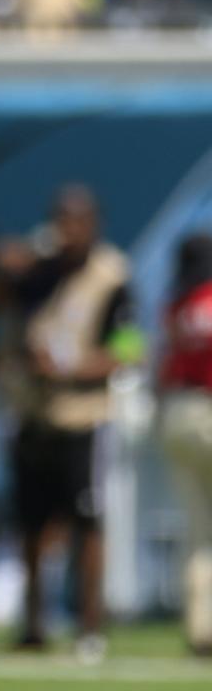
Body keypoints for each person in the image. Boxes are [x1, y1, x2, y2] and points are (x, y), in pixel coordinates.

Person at [0, 185, 141, 663]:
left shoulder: (112, 275)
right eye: (61, 220)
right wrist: (0, 268)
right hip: (32, 409)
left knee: (87, 522)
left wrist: (70, 369)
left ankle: (90, 626)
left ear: (93, 224)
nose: (67, 230)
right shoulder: (38, 268)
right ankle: (34, 624)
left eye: (77, 221)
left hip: (83, 414)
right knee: (31, 522)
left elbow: (129, 350)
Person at [157, 233, 212, 655]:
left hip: (178, 411)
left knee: (197, 530)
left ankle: (200, 628)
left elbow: (160, 364)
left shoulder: (176, 304)